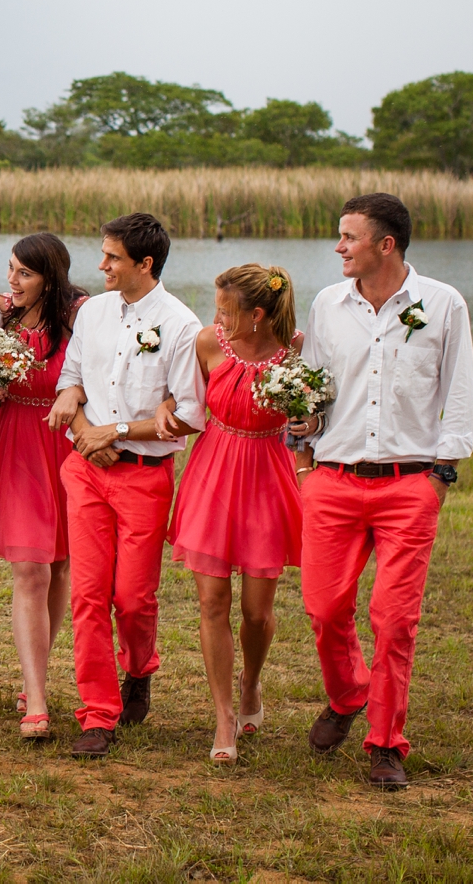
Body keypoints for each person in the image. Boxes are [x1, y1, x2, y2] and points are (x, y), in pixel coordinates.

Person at [290, 193, 473, 789]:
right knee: (324, 610)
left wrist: (440, 476)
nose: (338, 247)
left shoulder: (443, 304)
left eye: (349, 237)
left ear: (385, 244)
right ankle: (348, 695)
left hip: (408, 487)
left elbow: (461, 392)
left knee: (394, 621)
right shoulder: (327, 304)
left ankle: (385, 742)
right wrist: (303, 447)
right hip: (333, 482)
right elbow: (312, 390)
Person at [48, 212, 206, 757]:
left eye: (112, 257)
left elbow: (188, 413)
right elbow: (71, 377)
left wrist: (113, 430)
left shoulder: (182, 325)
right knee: (89, 596)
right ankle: (98, 714)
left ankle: (139, 668)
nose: (101, 265)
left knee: (133, 599)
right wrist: (79, 421)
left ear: (145, 263)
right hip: (86, 473)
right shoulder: (91, 312)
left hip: (144, 477)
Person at [166, 264, 304, 763]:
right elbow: (184, 402)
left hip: (268, 474)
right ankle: (223, 713)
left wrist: (307, 419)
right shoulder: (207, 344)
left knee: (257, 612)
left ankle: (252, 680)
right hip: (213, 474)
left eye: (226, 311)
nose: (216, 318)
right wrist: (165, 407)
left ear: (258, 315)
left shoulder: (296, 354)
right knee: (212, 602)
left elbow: (310, 415)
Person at [0, 233, 88, 742]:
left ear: (50, 276)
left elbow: (100, 369)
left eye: (24, 273)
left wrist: (76, 388)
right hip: (18, 442)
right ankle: (36, 698)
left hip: (64, 444)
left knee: (59, 563)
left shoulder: (79, 316)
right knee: (30, 569)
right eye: (11, 270)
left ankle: (36, 675)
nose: (12, 281)